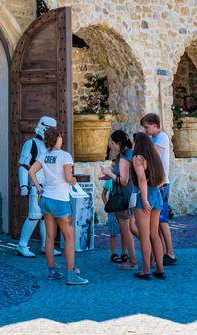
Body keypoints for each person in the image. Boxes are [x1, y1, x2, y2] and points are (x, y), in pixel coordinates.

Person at [28, 127, 88, 285]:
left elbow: (31, 171)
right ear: (57, 139)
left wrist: (39, 188)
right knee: (69, 237)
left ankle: (52, 270)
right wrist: (74, 182)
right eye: (60, 136)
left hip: (46, 198)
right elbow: (68, 178)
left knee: (49, 237)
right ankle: (71, 274)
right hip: (60, 200)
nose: (62, 139)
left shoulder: (44, 155)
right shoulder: (65, 156)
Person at [16, 115, 57, 257]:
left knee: (46, 216)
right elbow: (23, 166)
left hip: (47, 186)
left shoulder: (49, 146)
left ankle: (46, 246)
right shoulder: (31, 144)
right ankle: (22, 245)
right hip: (35, 185)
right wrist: (23, 185)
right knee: (34, 215)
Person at [141, 112, 176, 266]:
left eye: (147, 127)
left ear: (155, 125)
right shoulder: (153, 137)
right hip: (156, 183)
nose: (146, 130)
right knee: (158, 222)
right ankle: (160, 252)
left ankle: (170, 253)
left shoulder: (161, 137)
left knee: (162, 221)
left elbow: (153, 153)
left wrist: (143, 142)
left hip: (161, 183)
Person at [130, 131, 167, 280]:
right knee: (155, 235)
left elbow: (141, 179)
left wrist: (144, 199)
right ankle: (160, 269)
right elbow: (164, 179)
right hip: (156, 194)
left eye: (134, 142)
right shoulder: (155, 158)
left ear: (138, 144)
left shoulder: (138, 158)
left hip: (143, 196)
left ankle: (145, 270)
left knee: (144, 236)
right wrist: (154, 190)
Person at [99, 130, 137, 270]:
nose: (112, 146)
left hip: (123, 197)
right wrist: (109, 176)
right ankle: (149, 253)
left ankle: (133, 261)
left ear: (119, 143)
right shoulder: (128, 154)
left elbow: (124, 181)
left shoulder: (125, 158)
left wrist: (109, 173)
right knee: (130, 229)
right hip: (128, 196)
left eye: (114, 143)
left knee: (126, 230)